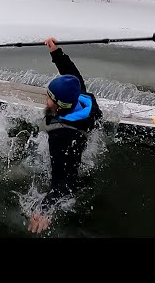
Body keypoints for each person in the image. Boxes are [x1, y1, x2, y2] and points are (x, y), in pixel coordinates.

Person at [27, 37, 103, 234]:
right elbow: (72, 76)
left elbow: (64, 183)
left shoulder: (61, 135)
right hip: (79, 138)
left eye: (49, 97)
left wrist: (45, 208)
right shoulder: (83, 100)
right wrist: (56, 53)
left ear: (58, 105)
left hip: (71, 157)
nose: (46, 98)